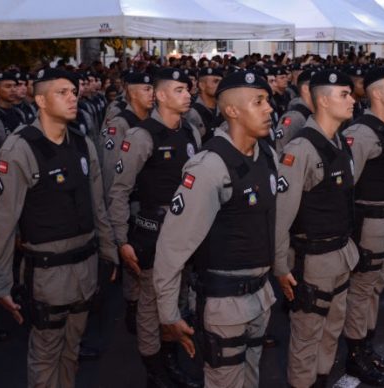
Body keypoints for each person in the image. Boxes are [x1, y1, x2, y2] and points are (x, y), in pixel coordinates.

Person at [0, 67, 118, 388]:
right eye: (62, 93)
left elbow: (98, 205)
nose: (72, 98)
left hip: (85, 265)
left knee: (71, 350)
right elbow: (3, 222)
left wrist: (109, 250)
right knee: (45, 353)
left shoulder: (83, 144)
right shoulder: (20, 150)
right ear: (40, 100)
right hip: (47, 271)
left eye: (73, 92)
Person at [155, 69, 278, 388]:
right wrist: (168, 314)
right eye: (259, 102)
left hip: (260, 293)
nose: (269, 109)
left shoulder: (267, 154)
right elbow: (173, 245)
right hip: (224, 302)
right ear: (233, 111)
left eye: (268, 101)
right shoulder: (210, 166)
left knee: (251, 377)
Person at [107, 67, 201, 388]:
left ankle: (171, 361)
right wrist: (122, 240)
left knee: (178, 298)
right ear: (160, 95)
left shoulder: (190, 132)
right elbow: (119, 191)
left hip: (185, 232)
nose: (187, 94)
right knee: (150, 303)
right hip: (152, 232)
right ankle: (155, 371)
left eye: (187, 89)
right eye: (178, 89)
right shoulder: (142, 135)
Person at [274, 69, 359, 388]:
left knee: (331, 329)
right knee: (307, 337)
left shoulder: (338, 141)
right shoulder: (301, 149)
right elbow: (281, 216)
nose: (352, 100)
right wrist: (282, 268)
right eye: (344, 95)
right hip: (313, 261)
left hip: (340, 253)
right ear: (323, 101)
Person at [340, 67, 384, 386]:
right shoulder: (363, 132)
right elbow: (345, 185)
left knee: (376, 288)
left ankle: (367, 345)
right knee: (362, 289)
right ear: (376, 93)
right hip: (369, 223)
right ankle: (354, 354)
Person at [100, 71, 154, 335]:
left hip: (149, 202)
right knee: (134, 267)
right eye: (145, 89)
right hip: (130, 203)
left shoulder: (154, 122)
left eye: (152, 89)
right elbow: (112, 172)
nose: (151, 94)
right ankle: (133, 310)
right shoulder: (120, 123)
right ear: (131, 92)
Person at [272, 69, 315, 154]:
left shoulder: (314, 113)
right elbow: (280, 151)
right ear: (306, 89)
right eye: (317, 87)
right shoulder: (294, 118)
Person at [184, 67, 223, 144]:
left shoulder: (223, 109)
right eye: (215, 81)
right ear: (202, 85)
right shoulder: (193, 114)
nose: (220, 85)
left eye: (221, 82)